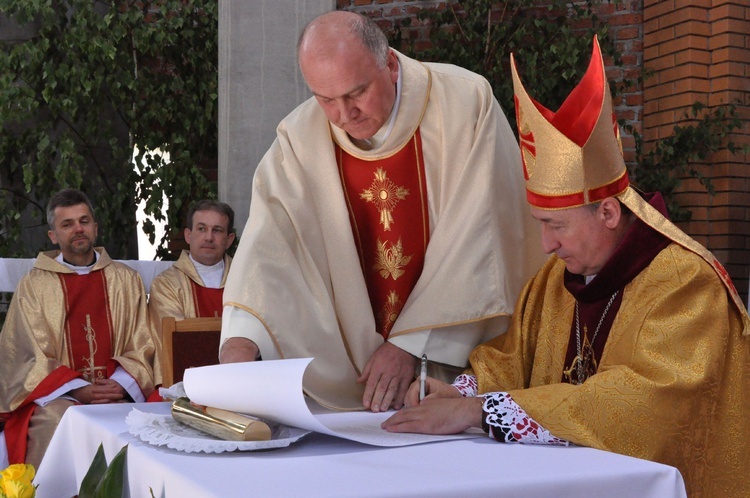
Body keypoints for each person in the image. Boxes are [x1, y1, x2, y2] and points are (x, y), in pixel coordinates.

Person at [382, 37, 750, 497]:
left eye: (556, 225)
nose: (546, 245)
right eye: (540, 224)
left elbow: (646, 404)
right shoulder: (558, 278)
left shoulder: (686, 283)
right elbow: (513, 358)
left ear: (609, 214)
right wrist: (461, 390)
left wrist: (480, 412)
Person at [220, 11, 544, 412]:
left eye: (357, 93)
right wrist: (243, 336)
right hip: (354, 374)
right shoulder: (300, 137)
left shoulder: (465, 103)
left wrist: (411, 344)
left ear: (390, 64)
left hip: (448, 370)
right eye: (325, 99)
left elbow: (482, 234)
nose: (344, 115)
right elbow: (270, 242)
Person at [0, 189, 156, 468]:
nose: (78, 229)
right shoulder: (35, 285)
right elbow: (26, 355)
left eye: (84, 221)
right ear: (53, 236)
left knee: (146, 421)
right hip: (61, 397)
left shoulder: (125, 280)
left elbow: (143, 341)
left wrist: (119, 384)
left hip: (117, 391)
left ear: (95, 228)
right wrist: (79, 389)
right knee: (55, 421)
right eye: (67, 224)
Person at [148, 200, 235, 386]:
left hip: (239, 382)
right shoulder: (167, 284)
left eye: (217, 230)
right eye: (201, 229)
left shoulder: (244, 280)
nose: (209, 237)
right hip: (187, 384)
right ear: (188, 235)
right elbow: (176, 344)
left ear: (229, 239)